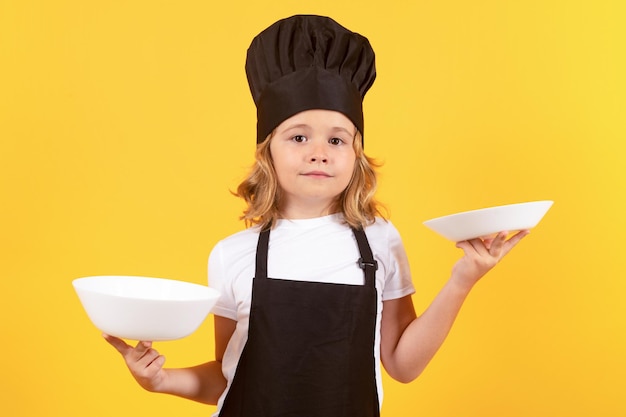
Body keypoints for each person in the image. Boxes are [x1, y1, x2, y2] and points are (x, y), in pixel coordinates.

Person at [104, 15, 529, 417]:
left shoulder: (379, 240)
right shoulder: (232, 255)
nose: (319, 151)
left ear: (356, 155)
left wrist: (464, 278)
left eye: (337, 139)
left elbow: (402, 365)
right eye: (299, 136)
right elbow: (230, 378)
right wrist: (160, 380)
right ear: (267, 149)